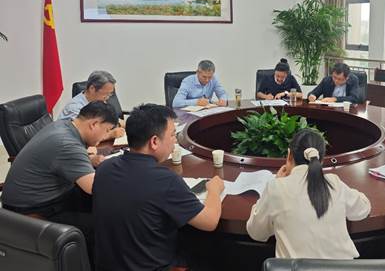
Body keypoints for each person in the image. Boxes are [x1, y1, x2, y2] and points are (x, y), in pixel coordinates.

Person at [93, 104, 224, 271]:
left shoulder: (105, 168)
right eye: (172, 135)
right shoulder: (165, 180)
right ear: (154, 142)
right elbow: (210, 221)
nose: (175, 140)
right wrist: (214, 189)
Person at [1, 101, 118, 266]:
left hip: (41, 196)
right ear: (94, 124)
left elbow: (60, 160)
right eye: (106, 130)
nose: (105, 136)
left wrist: (90, 160)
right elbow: (94, 187)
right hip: (31, 210)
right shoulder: (66, 143)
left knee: (105, 208)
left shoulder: (63, 125)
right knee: (104, 225)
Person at [246, 128, 370, 258]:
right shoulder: (334, 183)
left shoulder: (276, 187)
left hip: (295, 267)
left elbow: (256, 233)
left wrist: (276, 183)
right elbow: (363, 209)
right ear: (321, 160)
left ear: (289, 155)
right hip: (342, 267)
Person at [58, 70, 125, 140]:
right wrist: (110, 135)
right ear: (92, 88)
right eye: (105, 94)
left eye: (110, 94)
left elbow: (117, 121)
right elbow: (84, 136)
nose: (107, 98)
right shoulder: (75, 107)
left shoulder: (99, 102)